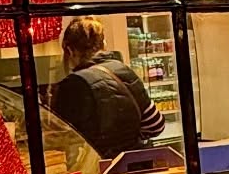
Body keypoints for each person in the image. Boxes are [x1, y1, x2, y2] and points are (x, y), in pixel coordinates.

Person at [46, 17, 163, 157]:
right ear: (104, 44)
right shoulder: (124, 71)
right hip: (133, 163)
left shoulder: (72, 85)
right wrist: (128, 142)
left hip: (97, 167)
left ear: (70, 50)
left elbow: (63, 140)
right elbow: (155, 125)